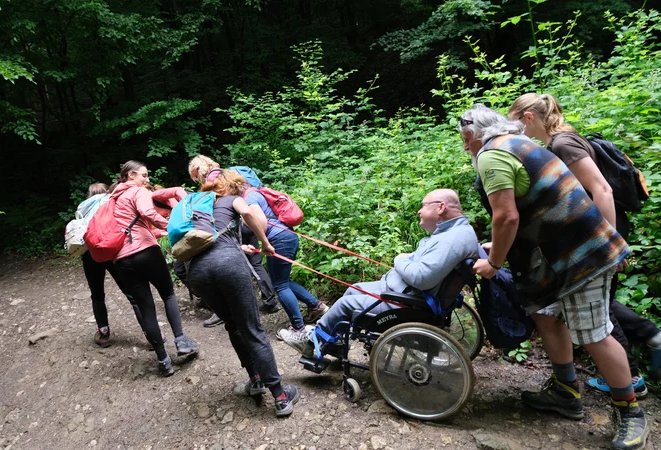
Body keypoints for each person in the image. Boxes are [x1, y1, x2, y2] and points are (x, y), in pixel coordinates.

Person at [460, 104, 648, 450]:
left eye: (464, 141)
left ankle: (630, 411)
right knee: (545, 315)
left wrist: (494, 263)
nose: (465, 148)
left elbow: (506, 217)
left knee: (594, 332)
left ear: (473, 135)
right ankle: (565, 392)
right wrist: (499, 244)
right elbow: (533, 204)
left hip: (579, 253)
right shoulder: (519, 144)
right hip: (554, 254)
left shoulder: (491, 155)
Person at [508, 93, 661, 397]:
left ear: (528, 117)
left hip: (603, 229)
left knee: (600, 310)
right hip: (598, 230)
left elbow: (601, 190)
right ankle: (651, 340)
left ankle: (630, 380)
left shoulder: (563, 144)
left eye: (514, 120)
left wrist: (609, 241)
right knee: (601, 302)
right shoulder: (559, 141)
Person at [280, 189, 479, 356]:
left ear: (441, 207)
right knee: (353, 289)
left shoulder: (450, 241)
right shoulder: (459, 231)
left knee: (345, 304)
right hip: (404, 292)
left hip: (407, 302)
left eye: (424, 205)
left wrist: (400, 259)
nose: (419, 211)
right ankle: (334, 345)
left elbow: (421, 278)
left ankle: (310, 342)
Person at [186, 169, 300, 417]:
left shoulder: (197, 205)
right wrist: (264, 243)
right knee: (252, 329)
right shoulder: (229, 199)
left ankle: (255, 380)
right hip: (227, 264)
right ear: (230, 186)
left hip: (197, 271)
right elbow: (248, 212)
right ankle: (280, 397)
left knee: (233, 325)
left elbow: (208, 240)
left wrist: (239, 247)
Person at [188, 155, 329, 338]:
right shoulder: (252, 192)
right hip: (287, 237)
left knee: (280, 286)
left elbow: (260, 222)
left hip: (279, 240)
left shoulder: (249, 196)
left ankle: (298, 328)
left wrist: (262, 240)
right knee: (281, 281)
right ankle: (316, 306)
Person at [112, 161, 198, 377]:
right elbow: (148, 213)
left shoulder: (114, 198)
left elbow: (135, 226)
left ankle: (163, 359)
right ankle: (181, 341)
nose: (147, 180)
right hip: (146, 253)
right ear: (131, 175)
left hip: (122, 258)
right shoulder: (137, 191)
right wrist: (174, 228)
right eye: (144, 175)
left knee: (146, 306)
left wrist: (159, 231)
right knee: (168, 294)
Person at [188, 155, 282, 329]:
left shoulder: (212, 180)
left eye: (195, 175)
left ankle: (223, 311)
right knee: (255, 263)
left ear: (199, 169)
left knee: (240, 264)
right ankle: (270, 300)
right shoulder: (228, 173)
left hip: (233, 227)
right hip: (248, 222)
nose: (196, 179)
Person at [76, 183, 145, 347]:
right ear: (106, 191)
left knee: (97, 295)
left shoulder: (81, 207)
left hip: (91, 254)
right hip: (114, 250)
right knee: (132, 294)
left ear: (89, 193)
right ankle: (151, 333)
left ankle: (104, 333)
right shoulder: (112, 201)